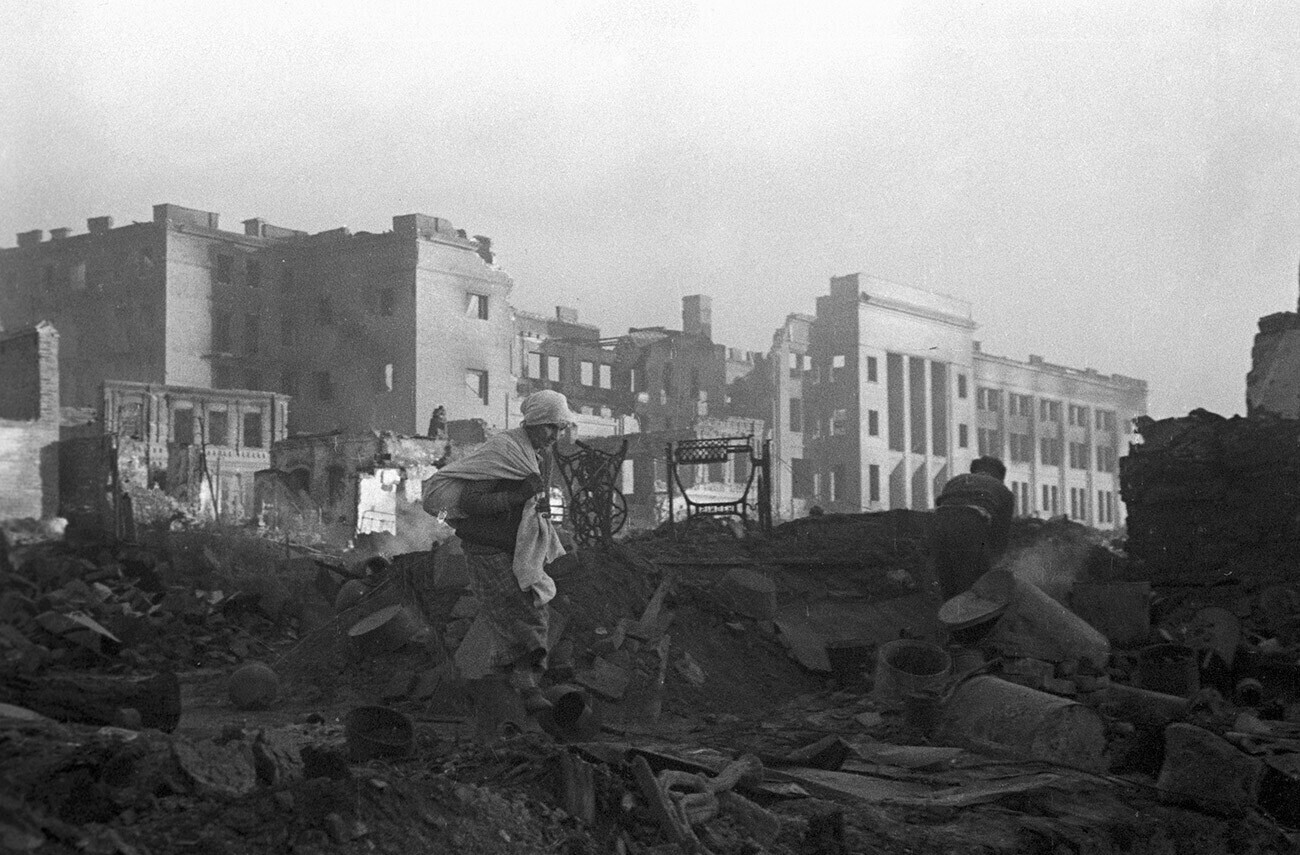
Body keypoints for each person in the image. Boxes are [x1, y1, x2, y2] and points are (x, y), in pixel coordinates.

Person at [422, 391, 575, 713]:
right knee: (518, 616)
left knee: (524, 613)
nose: (554, 436)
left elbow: (531, 498)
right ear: (533, 423)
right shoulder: (505, 449)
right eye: (550, 427)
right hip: (488, 549)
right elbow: (470, 503)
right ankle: (523, 691)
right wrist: (518, 495)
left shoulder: (536, 454)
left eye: (559, 429)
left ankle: (512, 690)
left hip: (516, 546)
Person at [932, 456, 1015, 601]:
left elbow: (942, 503)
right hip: (971, 524)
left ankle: (949, 617)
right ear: (999, 475)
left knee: (947, 578)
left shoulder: (954, 481)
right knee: (973, 580)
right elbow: (1000, 534)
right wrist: (995, 564)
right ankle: (972, 619)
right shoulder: (1003, 490)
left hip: (938, 524)